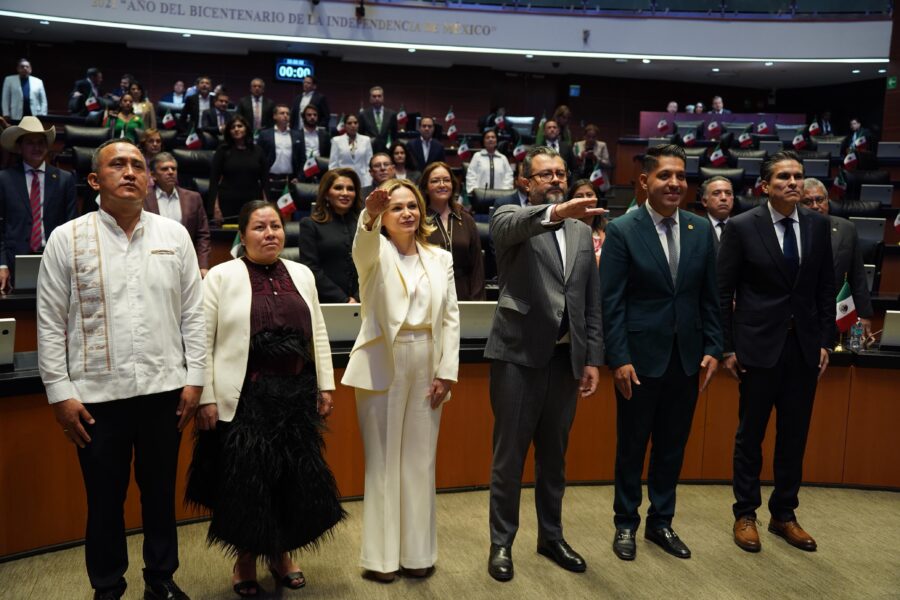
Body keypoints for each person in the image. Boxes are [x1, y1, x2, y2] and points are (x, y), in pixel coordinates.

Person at [36, 139, 205, 600]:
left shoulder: (174, 236)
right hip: (95, 398)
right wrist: (59, 393)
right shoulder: (66, 239)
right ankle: (107, 587)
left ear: (149, 178)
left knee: (159, 496)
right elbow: (50, 322)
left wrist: (195, 379)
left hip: (163, 391)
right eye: (118, 165)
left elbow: (194, 314)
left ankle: (161, 579)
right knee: (105, 501)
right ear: (95, 180)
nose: (130, 172)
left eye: (138, 165)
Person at [186, 199, 344, 596]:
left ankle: (281, 555)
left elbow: (318, 332)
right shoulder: (221, 276)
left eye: (275, 226)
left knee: (291, 483)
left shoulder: (302, 273)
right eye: (259, 227)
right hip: (245, 397)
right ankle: (244, 561)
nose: (270, 233)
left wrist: (325, 384)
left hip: (294, 397)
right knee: (247, 486)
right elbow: (201, 340)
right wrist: (204, 395)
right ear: (242, 235)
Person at [485, 146, 604, 582]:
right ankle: (502, 542)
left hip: (563, 360)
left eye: (560, 173)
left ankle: (551, 536)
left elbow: (590, 298)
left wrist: (591, 355)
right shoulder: (508, 217)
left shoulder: (579, 229)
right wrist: (555, 210)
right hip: (517, 355)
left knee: (555, 456)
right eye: (545, 174)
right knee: (510, 457)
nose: (555, 178)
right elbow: (517, 225)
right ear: (525, 182)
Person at [601, 144, 722, 562]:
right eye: (665, 176)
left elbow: (712, 297)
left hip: (687, 358)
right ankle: (625, 523)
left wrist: (713, 348)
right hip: (638, 359)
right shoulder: (622, 230)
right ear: (644, 182)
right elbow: (611, 302)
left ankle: (661, 522)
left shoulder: (700, 229)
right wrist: (618, 358)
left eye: (680, 177)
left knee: (673, 445)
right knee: (632, 446)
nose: (674, 184)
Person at [342, 178, 459, 582]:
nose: (407, 212)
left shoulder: (439, 257)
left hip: (428, 358)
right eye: (397, 208)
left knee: (420, 462)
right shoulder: (374, 255)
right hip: (383, 361)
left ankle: (418, 554)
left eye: (412, 205)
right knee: (384, 462)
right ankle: (381, 560)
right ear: (384, 217)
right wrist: (370, 214)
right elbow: (362, 244)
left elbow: (451, 316)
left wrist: (446, 371)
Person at [718, 150, 835, 554]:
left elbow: (824, 289)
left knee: (794, 435)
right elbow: (723, 292)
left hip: (802, 348)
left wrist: (823, 341)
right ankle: (745, 513)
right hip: (756, 347)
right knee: (750, 435)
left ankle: (784, 514)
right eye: (783, 176)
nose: (793, 182)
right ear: (764, 186)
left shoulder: (820, 226)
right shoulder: (741, 226)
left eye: (798, 176)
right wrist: (728, 346)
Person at [0, 116, 77, 293]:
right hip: (13, 262)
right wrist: (1, 264)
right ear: (20, 147)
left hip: (55, 259)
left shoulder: (64, 180)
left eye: (41, 142)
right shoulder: (4, 179)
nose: (37, 147)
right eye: (30, 142)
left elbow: (71, 225)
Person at [802, 177, 873, 340]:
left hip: (835, 314)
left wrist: (864, 314)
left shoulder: (846, 229)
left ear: (828, 201)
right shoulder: (790, 230)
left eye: (819, 200)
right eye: (807, 201)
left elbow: (858, 274)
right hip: (800, 314)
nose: (815, 206)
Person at [421, 161, 485, 300]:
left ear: (453, 185)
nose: (442, 185)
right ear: (426, 187)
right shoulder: (419, 220)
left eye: (446, 180)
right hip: (428, 294)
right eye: (435, 181)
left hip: (463, 293)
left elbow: (477, 267)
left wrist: (477, 302)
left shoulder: (467, 220)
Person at [298, 168, 362, 303]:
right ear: (326, 193)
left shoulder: (365, 225)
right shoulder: (310, 225)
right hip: (327, 302)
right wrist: (343, 299)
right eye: (338, 188)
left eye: (350, 189)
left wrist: (358, 297)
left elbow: (372, 264)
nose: (345, 193)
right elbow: (311, 269)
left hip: (365, 299)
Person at [144, 152, 211, 277]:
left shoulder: (193, 198)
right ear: (153, 175)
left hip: (185, 262)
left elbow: (202, 234)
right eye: (164, 169)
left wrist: (203, 265)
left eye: (173, 168)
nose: (170, 172)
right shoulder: (143, 198)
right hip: (152, 264)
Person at [208, 115, 268, 220]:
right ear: (229, 131)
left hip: (253, 203)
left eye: (239, 126)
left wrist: (266, 206)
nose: (236, 129)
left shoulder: (258, 151)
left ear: (246, 129)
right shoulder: (222, 150)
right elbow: (214, 181)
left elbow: (265, 181)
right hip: (227, 202)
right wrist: (215, 207)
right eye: (232, 127)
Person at [257, 104, 305, 201]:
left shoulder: (298, 135)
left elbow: (302, 159)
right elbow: (258, 158)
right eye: (282, 113)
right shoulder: (264, 134)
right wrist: (262, 177)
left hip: (289, 181)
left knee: (287, 213)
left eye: (288, 114)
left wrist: (299, 178)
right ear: (274, 116)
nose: (285, 116)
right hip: (269, 179)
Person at [329, 114, 374, 187]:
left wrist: (368, 181)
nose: (353, 125)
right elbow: (333, 165)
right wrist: (336, 180)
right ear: (345, 126)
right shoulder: (336, 141)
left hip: (363, 180)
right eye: (349, 123)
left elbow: (369, 163)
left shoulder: (366, 140)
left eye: (355, 123)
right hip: (342, 179)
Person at [567, 180, 606, 265]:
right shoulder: (563, 229)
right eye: (579, 196)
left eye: (589, 195)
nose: (585, 200)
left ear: (597, 199)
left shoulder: (608, 229)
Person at [465, 129, 513, 193]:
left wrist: (505, 191)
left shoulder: (503, 158)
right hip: (480, 195)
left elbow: (508, 176)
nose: (490, 139)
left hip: (500, 195)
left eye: (493, 137)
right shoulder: (477, 156)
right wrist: (475, 190)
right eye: (487, 137)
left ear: (496, 141)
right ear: (483, 141)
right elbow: (471, 174)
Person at [699, 175, 734, 254]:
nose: (724, 198)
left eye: (728, 193)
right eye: (716, 193)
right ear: (704, 201)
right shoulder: (696, 228)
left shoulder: (743, 227)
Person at [358, 86, 397, 153]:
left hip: (387, 150)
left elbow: (394, 135)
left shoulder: (392, 114)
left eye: (379, 96)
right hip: (369, 149)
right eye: (374, 96)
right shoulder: (363, 114)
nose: (377, 98)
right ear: (370, 99)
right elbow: (360, 134)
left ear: (383, 98)